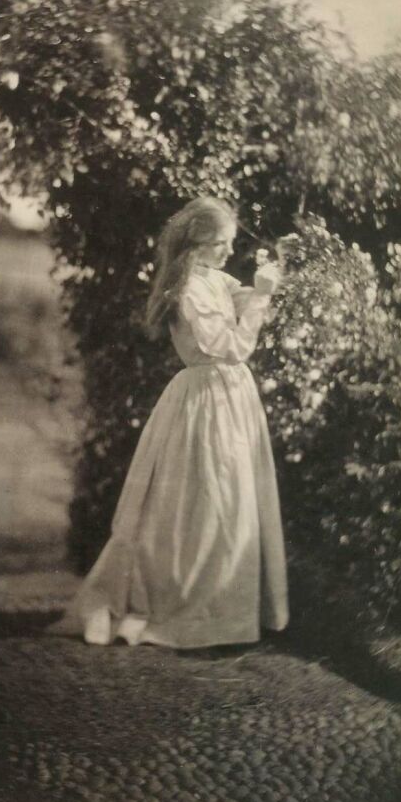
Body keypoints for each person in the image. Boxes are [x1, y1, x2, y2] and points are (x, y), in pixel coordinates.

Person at [51, 196, 288, 648]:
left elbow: (249, 299)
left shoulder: (214, 281)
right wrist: (258, 297)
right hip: (206, 400)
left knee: (231, 500)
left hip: (233, 398)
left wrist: (268, 285)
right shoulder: (186, 292)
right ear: (193, 244)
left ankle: (226, 605)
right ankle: (182, 602)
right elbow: (233, 346)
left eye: (229, 242)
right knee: (201, 501)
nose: (225, 251)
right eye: (218, 243)